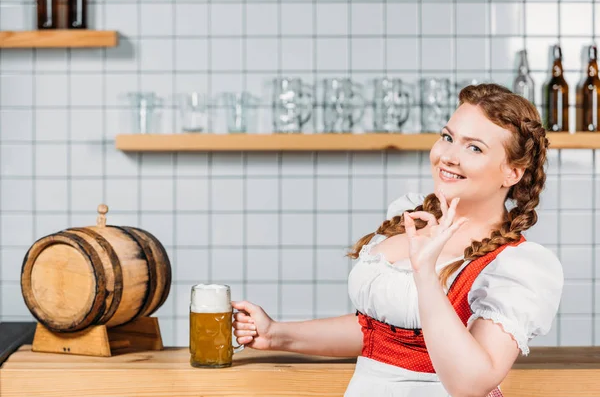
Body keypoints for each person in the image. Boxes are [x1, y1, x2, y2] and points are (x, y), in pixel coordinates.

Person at [231, 83, 564, 397]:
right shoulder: (411, 213)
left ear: (512, 172)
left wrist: (426, 274)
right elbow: (377, 334)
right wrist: (276, 334)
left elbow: (470, 383)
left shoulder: (517, 266)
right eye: (447, 137)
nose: (448, 156)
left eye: (474, 147)